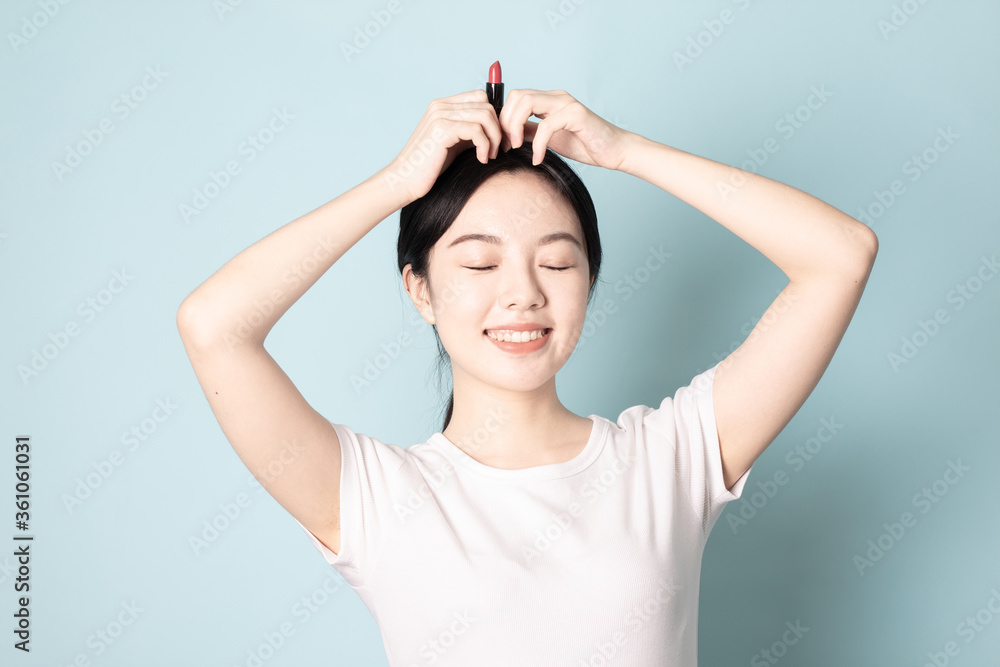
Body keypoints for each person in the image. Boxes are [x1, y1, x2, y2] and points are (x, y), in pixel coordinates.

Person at [176, 88, 878, 666]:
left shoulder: (670, 458)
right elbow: (214, 325)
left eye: (557, 261)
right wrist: (397, 182)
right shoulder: (374, 498)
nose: (522, 294)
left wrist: (623, 150)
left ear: (590, 280)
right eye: (480, 264)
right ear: (418, 289)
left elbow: (841, 255)